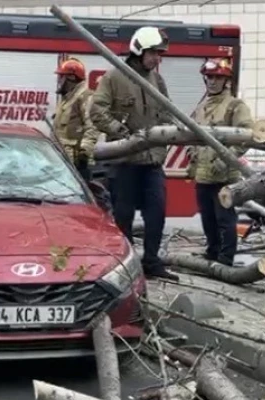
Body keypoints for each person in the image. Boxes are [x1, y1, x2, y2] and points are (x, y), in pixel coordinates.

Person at [89, 26, 178, 281]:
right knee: (123, 215)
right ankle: (127, 266)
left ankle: (152, 261)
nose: (158, 59)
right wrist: (121, 133)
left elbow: (168, 113)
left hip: (152, 163)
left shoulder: (157, 80)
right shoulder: (114, 78)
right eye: (154, 53)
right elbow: (98, 112)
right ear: (139, 50)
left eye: (160, 54)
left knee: (157, 212)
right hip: (124, 162)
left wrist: (164, 142)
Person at [186, 58, 254, 267]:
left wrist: (227, 161)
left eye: (217, 77)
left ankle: (225, 259)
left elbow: (246, 136)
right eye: (209, 77)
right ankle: (212, 253)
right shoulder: (201, 107)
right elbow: (193, 136)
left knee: (225, 219)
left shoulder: (235, 106)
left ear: (226, 81)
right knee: (208, 218)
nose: (212, 81)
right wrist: (191, 154)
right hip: (204, 175)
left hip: (224, 176)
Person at [52, 58, 99, 182]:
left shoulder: (85, 97)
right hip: (64, 160)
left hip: (77, 163)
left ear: (71, 78)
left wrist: (84, 152)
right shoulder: (67, 98)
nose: (59, 81)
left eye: (61, 77)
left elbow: (93, 126)